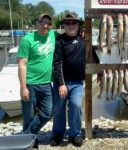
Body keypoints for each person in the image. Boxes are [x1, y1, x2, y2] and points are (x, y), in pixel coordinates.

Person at [18, 14, 56, 148]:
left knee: (48, 113)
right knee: (28, 116)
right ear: (37, 23)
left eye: (48, 23)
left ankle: (25, 136)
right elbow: (22, 64)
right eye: (42, 22)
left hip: (47, 84)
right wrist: (23, 87)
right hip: (30, 84)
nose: (45, 25)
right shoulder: (27, 40)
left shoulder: (53, 36)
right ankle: (30, 141)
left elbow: (68, 37)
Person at [50, 13, 86, 147]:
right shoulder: (59, 40)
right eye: (67, 23)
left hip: (77, 83)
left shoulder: (84, 38)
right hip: (62, 84)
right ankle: (58, 133)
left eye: (74, 23)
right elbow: (57, 63)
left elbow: (92, 54)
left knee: (76, 106)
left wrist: (99, 71)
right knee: (59, 109)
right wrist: (61, 84)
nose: (70, 25)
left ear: (78, 25)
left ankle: (75, 134)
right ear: (64, 25)